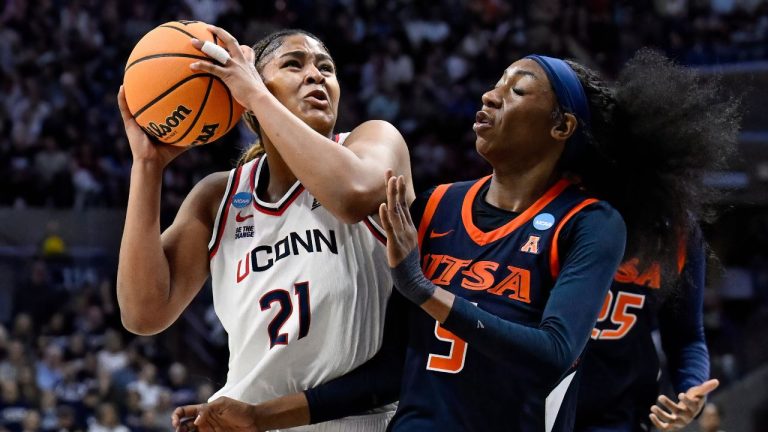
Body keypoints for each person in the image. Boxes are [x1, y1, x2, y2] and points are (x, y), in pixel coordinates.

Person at [175, 49, 739, 431]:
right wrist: (258, 416)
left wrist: (425, 290)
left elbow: (553, 354)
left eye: (516, 91)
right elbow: (390, 370)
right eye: (494, 85)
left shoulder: (591, 221)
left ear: (562, 126)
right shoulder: (439, 206)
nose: (490, 97)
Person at [116, 24, 414, 431]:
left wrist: (255, 95)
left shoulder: (373, 142)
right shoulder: (219, 196)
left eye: (326, 67)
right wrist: (147, 166)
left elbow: (352, 196)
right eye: (294, 64)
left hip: (355, 420)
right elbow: (143, 313)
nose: (315, 75)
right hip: (244, 419)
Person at [574, 52, 739, 432]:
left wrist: (691, 392)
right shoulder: (562, 212)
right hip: (537, 406)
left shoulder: (677, 231)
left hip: (622, 413)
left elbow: (687, 336)